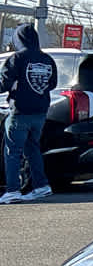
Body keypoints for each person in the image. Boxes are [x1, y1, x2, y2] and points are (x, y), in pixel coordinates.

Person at [0, 25, 57, 203]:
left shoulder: (16, 58)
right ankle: (41, 186)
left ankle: (13, 190)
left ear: (19, 39)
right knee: (33, 149)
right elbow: (53, 84)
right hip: (40, 112)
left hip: (20, 111)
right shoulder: (47, 59)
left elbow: (3, 84)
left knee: (12, 151)